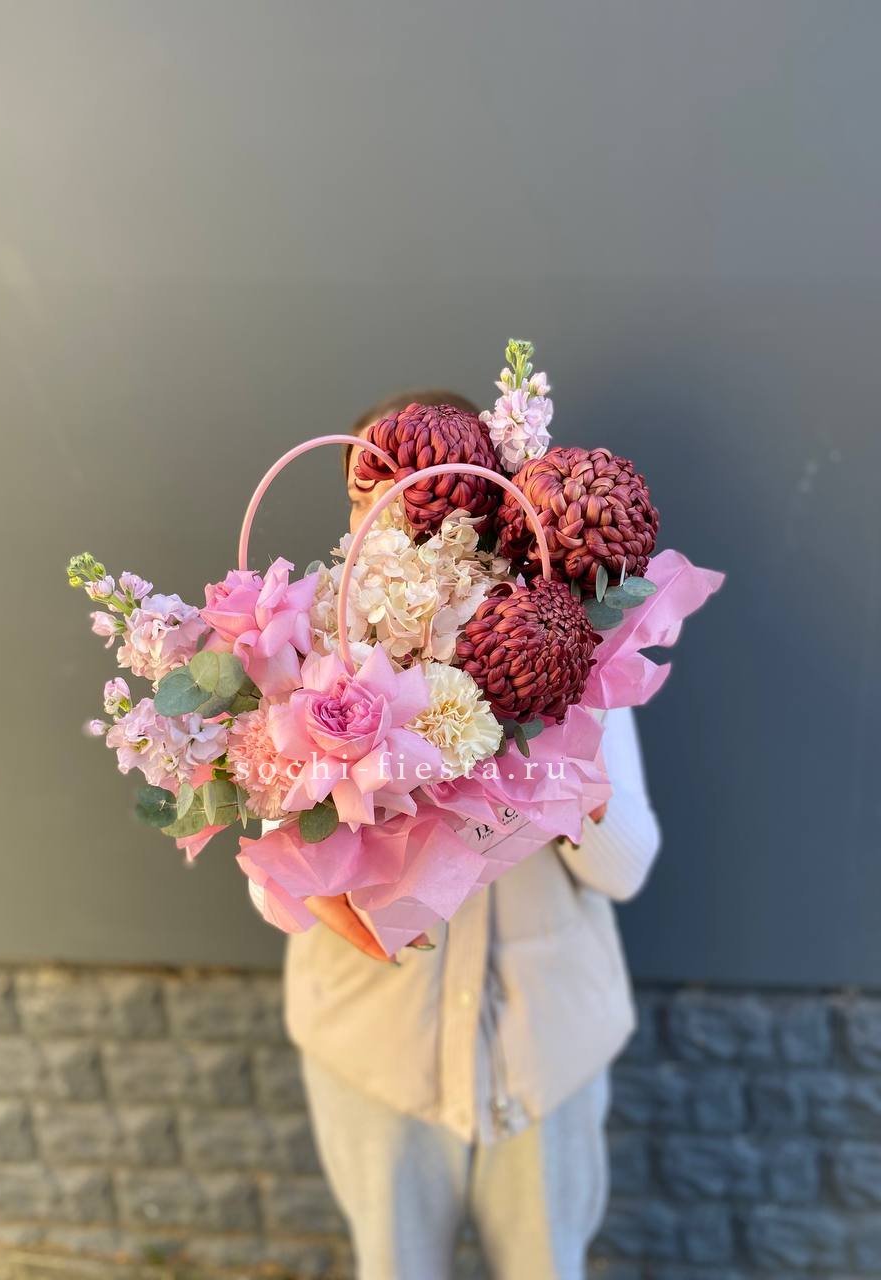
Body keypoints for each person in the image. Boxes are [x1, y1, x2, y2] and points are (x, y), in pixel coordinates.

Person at [277, 391, 661, 1280]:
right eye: (369, 491)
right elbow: (280, 867)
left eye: (422, 487)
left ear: (482, 498)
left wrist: (558, 746)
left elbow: (627, 870)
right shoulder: (310, 653)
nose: (396, 513)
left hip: (544, 1052)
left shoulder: (565, 655)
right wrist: (292, 866)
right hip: (374, 1047)